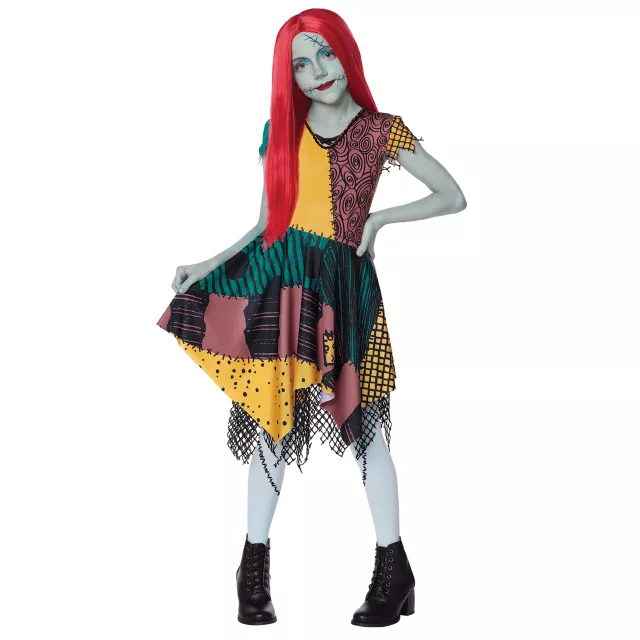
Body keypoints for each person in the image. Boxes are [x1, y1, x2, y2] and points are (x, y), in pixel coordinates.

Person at [156, 8, 466, 627]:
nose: (317, 70)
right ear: (289, 75)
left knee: (366, 427)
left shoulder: (381, 131)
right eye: (301, 63)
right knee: (272, 424)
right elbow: (267, 223)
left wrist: (379, 220)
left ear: (346, 53)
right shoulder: (282, 130)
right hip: (284, 287)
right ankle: (252, 568)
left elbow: (452, 195)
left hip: (344, 292)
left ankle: (393, 567)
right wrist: (207, 263)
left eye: (325, 53)